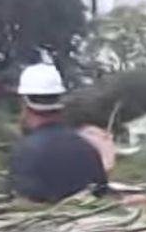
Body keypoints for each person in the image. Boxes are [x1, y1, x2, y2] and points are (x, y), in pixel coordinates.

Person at [8, 63, 108, 204]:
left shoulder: (24, 152)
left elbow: (22, 204)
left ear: (24, 103)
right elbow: (102, 193)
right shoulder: (87, 148)